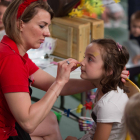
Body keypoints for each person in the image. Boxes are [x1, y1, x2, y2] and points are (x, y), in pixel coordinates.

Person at [0, 0, 129, 140]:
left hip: (10, 124)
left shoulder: (14, 51)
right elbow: (28, 123)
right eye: (42, 26)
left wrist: (99, 80)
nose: (48, 33)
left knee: (50, 120)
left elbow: (54, 85)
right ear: (20, 24)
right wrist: (59, 82)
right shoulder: (11, 59)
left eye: (48, 26)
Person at [65, 39, 129, 140]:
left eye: (90, 59)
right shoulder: (104, 88)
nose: (82, 63)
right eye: (84, 57)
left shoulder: (108, 105)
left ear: (109, 70)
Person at [127, 11, 140, 85]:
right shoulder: (132, 34)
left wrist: (138, 57)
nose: (136, 30)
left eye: (139, 27)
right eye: (134, 26)